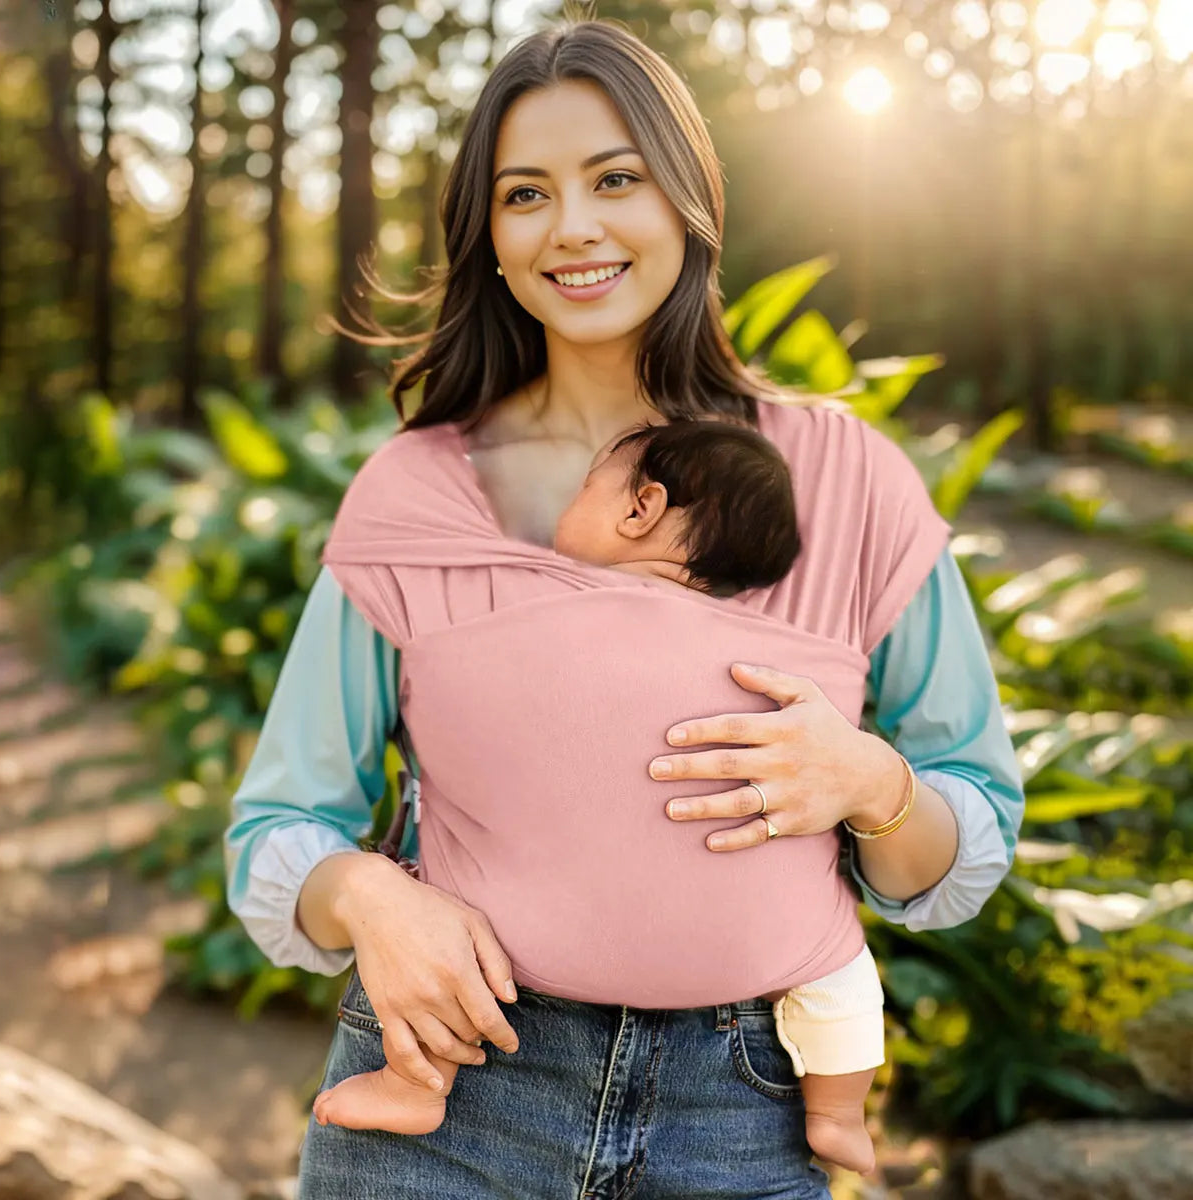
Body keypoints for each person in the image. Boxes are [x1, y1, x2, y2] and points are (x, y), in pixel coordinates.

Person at [224, 18, 1024, 1200]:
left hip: (746, 1113)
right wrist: (372, 896)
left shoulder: (845, 484)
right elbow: (280, 823)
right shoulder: (418, 494)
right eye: (525, 194)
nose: (575, 227)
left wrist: (870, 785)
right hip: (454, 1095)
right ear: (490, 239)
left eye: (615, 180)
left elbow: (974, 824)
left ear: (688, 200)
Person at [309, 418, 887, 1175]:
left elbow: (441, 682)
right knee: (842, 970)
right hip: (767, 966)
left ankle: (419, 1082)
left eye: (586, 488)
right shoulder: (797, 656)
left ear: (641, 508)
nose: (560, 515)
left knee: (447, 947)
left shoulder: (533, 607)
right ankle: (838, 1110)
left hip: (518, 962)